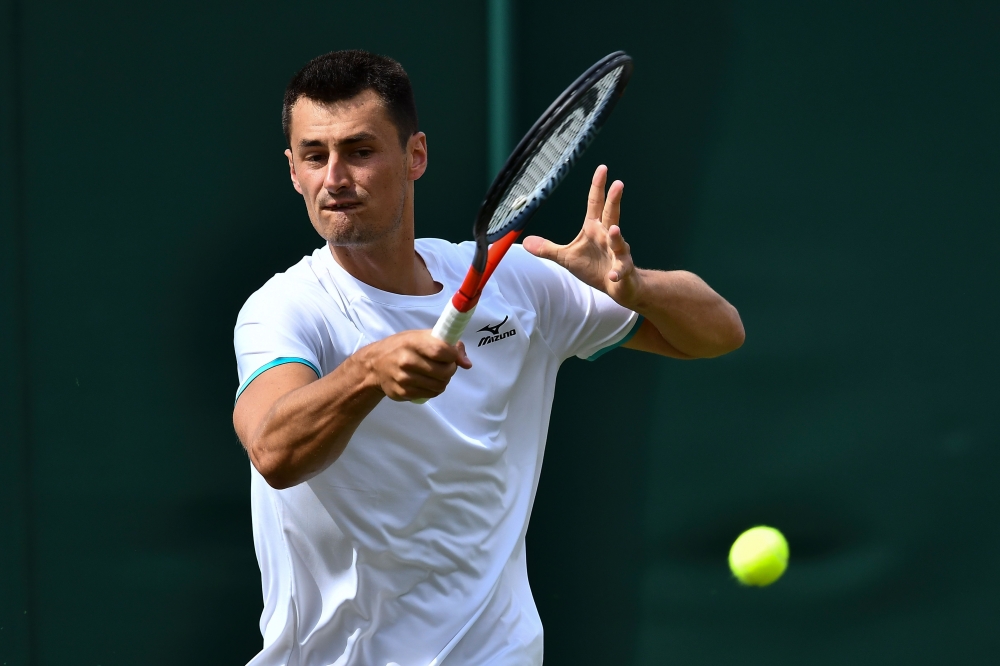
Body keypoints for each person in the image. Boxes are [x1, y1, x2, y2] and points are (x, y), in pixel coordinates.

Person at [232, 49, 744, 666]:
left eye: (360, 151)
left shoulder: (518, 285)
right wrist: (368, 372)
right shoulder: (283, 309)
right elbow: (273, 450)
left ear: (414, 155)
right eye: (315, 156)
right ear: (293, 169)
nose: (335, 178)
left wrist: (637, 289)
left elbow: (719, 332)